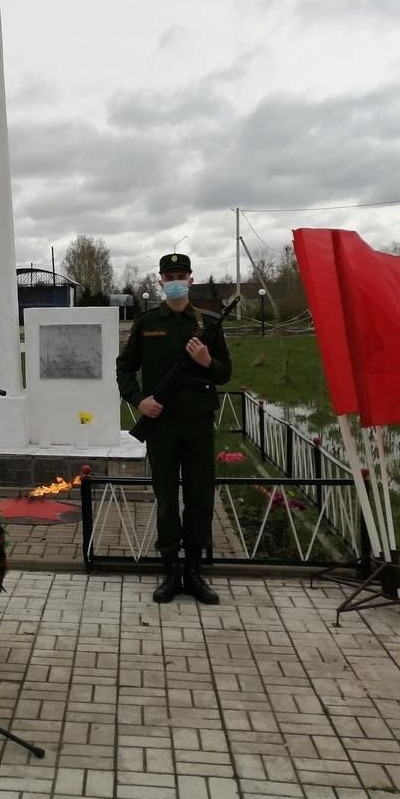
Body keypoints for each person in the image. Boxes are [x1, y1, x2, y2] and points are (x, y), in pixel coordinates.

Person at [115, 252, 232, 605]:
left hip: (197, 424)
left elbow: (225, 372)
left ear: (191, 280)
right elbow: (124, 367)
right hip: (162, 427)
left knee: (200, 499)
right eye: (170, 276)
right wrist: (139, 401)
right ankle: (170, 571)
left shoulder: (208, 323)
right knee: (166, 499)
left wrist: (206, 360)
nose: (176, 280)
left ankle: (194, 572)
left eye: (182, 274)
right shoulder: (147, 321)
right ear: (161, 281)